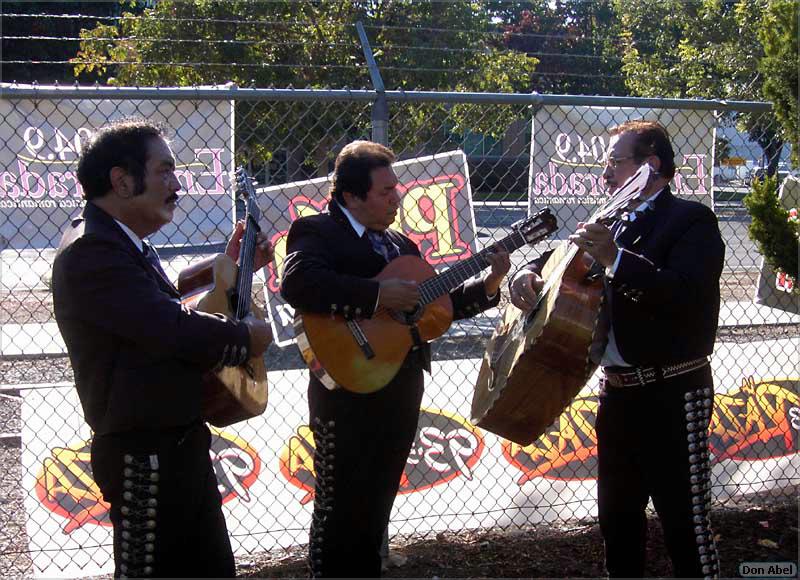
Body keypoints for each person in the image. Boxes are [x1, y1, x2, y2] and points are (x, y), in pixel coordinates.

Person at [52, 119, 273, 578]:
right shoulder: (92, 250)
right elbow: (168, 326)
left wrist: (232, 266)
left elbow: (158, 305)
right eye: (165, 172)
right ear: (122, 180)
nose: (178, 185)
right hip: (144, 456)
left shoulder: (120, 242)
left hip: (174, 444)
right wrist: (245, 336)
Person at [280, 140, 510, 577]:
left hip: (401, 382)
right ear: (350, 195)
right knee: (339, 501)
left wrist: (490, 283)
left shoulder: (401, 244)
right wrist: (377, 294)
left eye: (396, 188)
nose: (397, 197)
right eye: (385, 191)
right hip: (345, 384)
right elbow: (299, 283)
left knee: (378, 497)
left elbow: (436, 308)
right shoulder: (316, 231)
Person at [510, 120, 724, 578]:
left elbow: (684, 293)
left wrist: (616, 259)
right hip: (618, 394)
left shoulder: (691, 221)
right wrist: (521, 277)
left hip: (674, 390)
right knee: (617, 520)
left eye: (613, 162)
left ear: (650, 166)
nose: (604, 175)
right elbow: (555, 260)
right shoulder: (613, 220)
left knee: (685, 523)